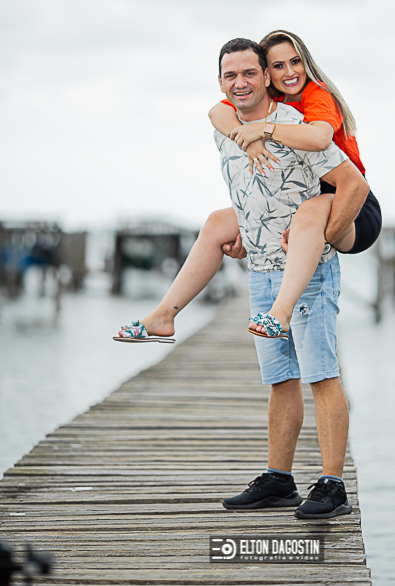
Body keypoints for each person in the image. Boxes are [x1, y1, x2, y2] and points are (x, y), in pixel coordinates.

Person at [114, 31, 380, 342]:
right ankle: (163, 315)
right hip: (307, 197)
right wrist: (248, 144)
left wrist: (324, 239)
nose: (288, 72)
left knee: (309, 215)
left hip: (349, 202)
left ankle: (281, 313)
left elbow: (320, 139)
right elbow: (217, 112)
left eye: (295, 62)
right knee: (217, 223)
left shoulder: (315, 95)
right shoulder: (269, 95)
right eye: (278, 66)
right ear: (268, 74)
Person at [211, 37, 368, 519]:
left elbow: (353, 184)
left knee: (322, 372)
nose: (242, 82)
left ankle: (333, 485)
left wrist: (324, 238)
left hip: (312, 261)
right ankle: (278, 479)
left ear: (264, 77)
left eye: (251, 72)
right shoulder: (232, 120)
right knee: (281, 379)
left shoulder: (306, 114)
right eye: (231, 75)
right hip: (263, 268)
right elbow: (220, 120)